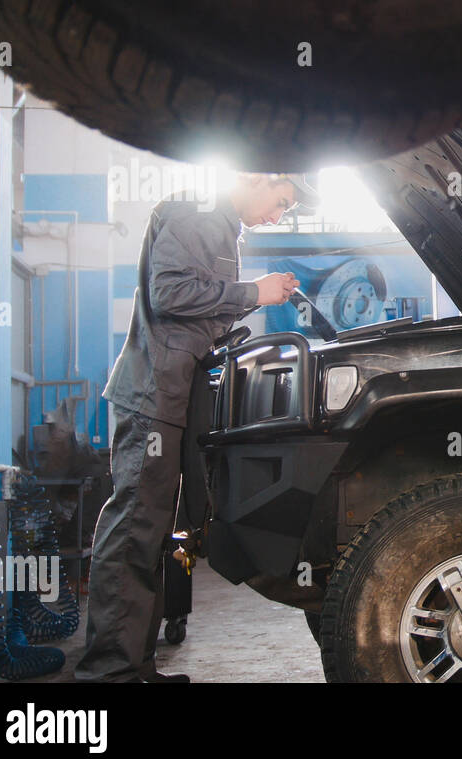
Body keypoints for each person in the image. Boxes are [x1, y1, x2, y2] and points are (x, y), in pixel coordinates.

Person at [74, 172, 317, 683]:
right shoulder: (197, 211)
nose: (277, 216)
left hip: (173, 395)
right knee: (135, 529)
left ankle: (134, 665)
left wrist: (253, 299)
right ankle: (109, 672)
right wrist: (256, 289)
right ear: (258, 177)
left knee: (155, 532)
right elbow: (168, 293)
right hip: (153, 394)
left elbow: (200, 307)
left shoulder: (222, 228)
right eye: (280, 202)